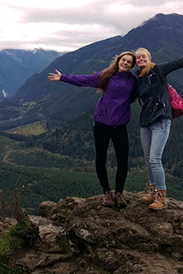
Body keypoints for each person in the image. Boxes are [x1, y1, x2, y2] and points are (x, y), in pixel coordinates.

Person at [48, 51, 136, 208]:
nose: (125, 63)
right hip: (102, 123)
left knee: (123, 161)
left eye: (129, 62)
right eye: (123, 60)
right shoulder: (107, 75)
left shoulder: (133, 80)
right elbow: (84, 80)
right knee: (100, 158)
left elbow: (141, 93)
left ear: (132, 65)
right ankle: (107, 192)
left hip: (120, 125)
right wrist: (63, 77)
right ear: (118, 60)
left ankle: (119, 193)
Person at [133, 41, 183, 210]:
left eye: (143, 57)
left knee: (155, 159)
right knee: (148, 160)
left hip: (161, 119)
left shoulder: (159, 70)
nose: (141, 59)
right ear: (136, 62)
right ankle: (152, 192)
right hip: (145, 122)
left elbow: (180, 62)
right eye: (138, 58)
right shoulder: (137, 80)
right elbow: (127, 97)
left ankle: (161, 198)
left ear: (149, 59)